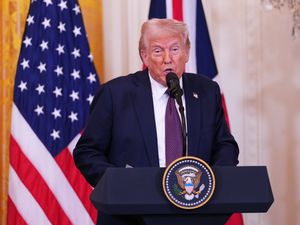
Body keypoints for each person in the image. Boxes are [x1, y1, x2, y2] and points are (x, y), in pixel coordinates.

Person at [73, 18, 239, 225]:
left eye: (175, 49)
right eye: (158, 51)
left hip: (194, 213)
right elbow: (87, 152)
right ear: (144, 55)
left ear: (187, 52)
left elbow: (225, 145)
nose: (167, 59)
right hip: (129, 216)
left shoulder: (206, 91)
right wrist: (119, 183)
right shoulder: (115, 94)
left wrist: (210, 183)